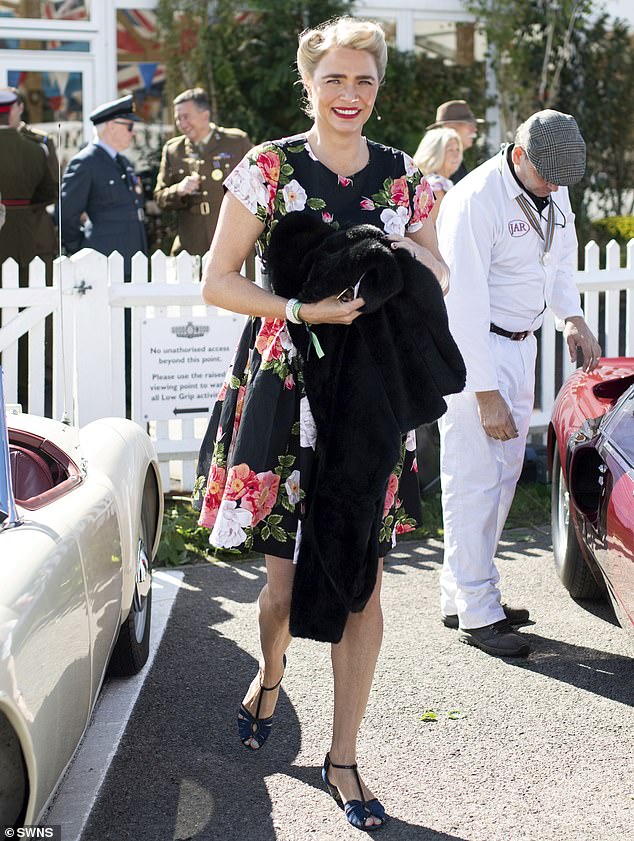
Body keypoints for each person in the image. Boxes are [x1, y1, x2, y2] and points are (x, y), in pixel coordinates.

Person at [196, 17, 451, 832]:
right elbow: (218, 281)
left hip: (369, 394)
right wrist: (302, 306)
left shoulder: (404, 174)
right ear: (307, 84)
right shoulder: (269, 168)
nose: (350, 95)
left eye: (364, 80)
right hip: (285, 387)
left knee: (363, 584)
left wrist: (399, 261)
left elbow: (435, 265)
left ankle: (342, 755)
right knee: (282, 587)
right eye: (335, 79)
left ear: (378, 87)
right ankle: (272, 670)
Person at [436, 109, 601, 658]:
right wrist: (483, 392)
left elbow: (557, 261)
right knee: (474, 478)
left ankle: (462, 593)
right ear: (519, 154)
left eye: (562, 178)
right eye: (547, 174)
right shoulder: (476, 198)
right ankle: (478, 615)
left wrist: (570, 315)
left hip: (521, 344)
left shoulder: (553, 188)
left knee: (500, 477)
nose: (555, 186)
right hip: (475, 350)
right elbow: (462, 305)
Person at [154, 88, 252, 256]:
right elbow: (159, 197)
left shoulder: (236, 142)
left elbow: (257, 186)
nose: (182, 124)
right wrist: (178, 190)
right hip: (191, 242)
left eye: (186, 117)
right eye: (178, 119)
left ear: (204, 115)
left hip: (230, 236)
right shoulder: (173, 150)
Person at [60, 94, 147, 275]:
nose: (133, 133)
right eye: (129, 126)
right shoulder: (85, 162)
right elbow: (67, 214)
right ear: (112, 126)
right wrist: (81, 249)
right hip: (104, 261)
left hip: (133, 258)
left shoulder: (122, 161)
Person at [0, 89, 57, 277]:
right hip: (27, 230)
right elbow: (49, 191)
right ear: (15, 110)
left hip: (32, 231)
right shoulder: (35, 150)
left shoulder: (39, 143)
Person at [426, 99, 483, 183]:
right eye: (469, 125)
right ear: (449, 127)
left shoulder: (455, 163)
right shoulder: (443, 168)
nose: (475, 129)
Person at [413, 127, 463, 223]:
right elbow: (433, 227)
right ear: (434, 152)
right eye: (450, 150)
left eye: (457, 149)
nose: (456, 155)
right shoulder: (436, 187)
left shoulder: (437, 183)